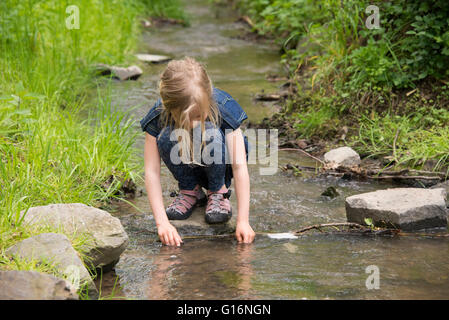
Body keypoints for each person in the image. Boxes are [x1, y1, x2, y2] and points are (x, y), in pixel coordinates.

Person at [140, 57, 255, 246]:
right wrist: (162, 223)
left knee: (209, 132)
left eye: (198, 116)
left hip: (221, 164)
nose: (194, 125)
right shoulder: (158, 115)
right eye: (187, 118)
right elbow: (151, 171)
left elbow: (239, 166)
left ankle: (218, 191)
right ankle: (190, 190)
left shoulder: (223, 107)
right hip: (187, 163)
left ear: (208, 99)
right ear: (169, 106)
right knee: (167, 134)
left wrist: (243, 221)